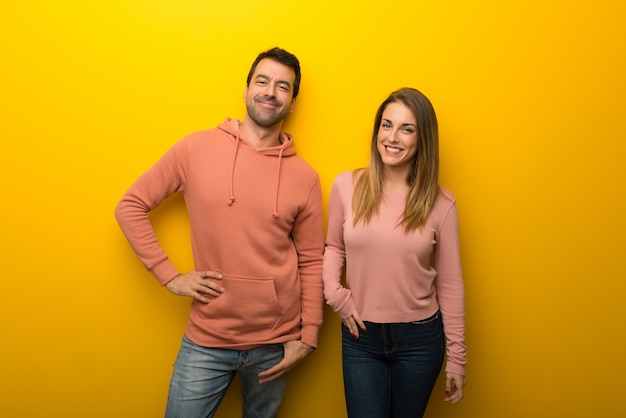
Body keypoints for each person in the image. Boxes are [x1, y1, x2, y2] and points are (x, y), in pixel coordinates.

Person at [115, 47, 324, 418]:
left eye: (282, 87)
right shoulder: (194, 149)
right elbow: (130, 206)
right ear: (245, 91)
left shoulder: (305, 178)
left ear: (291, 103)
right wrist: (170, 277)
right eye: (262, 81)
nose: (270, 92)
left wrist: (308, 335)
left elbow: (310, 260)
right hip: (208, 338)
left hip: (276, 342)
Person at [322, 87, 467, 418]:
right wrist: (336, 295)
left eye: (407, 128)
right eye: (386, 125)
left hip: (420, 340)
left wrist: (457, 356)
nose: (393, 137)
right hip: (361, 337)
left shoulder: (442, 204)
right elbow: (333, 247)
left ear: (422, 139)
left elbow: (451, 283)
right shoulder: (346, 185)